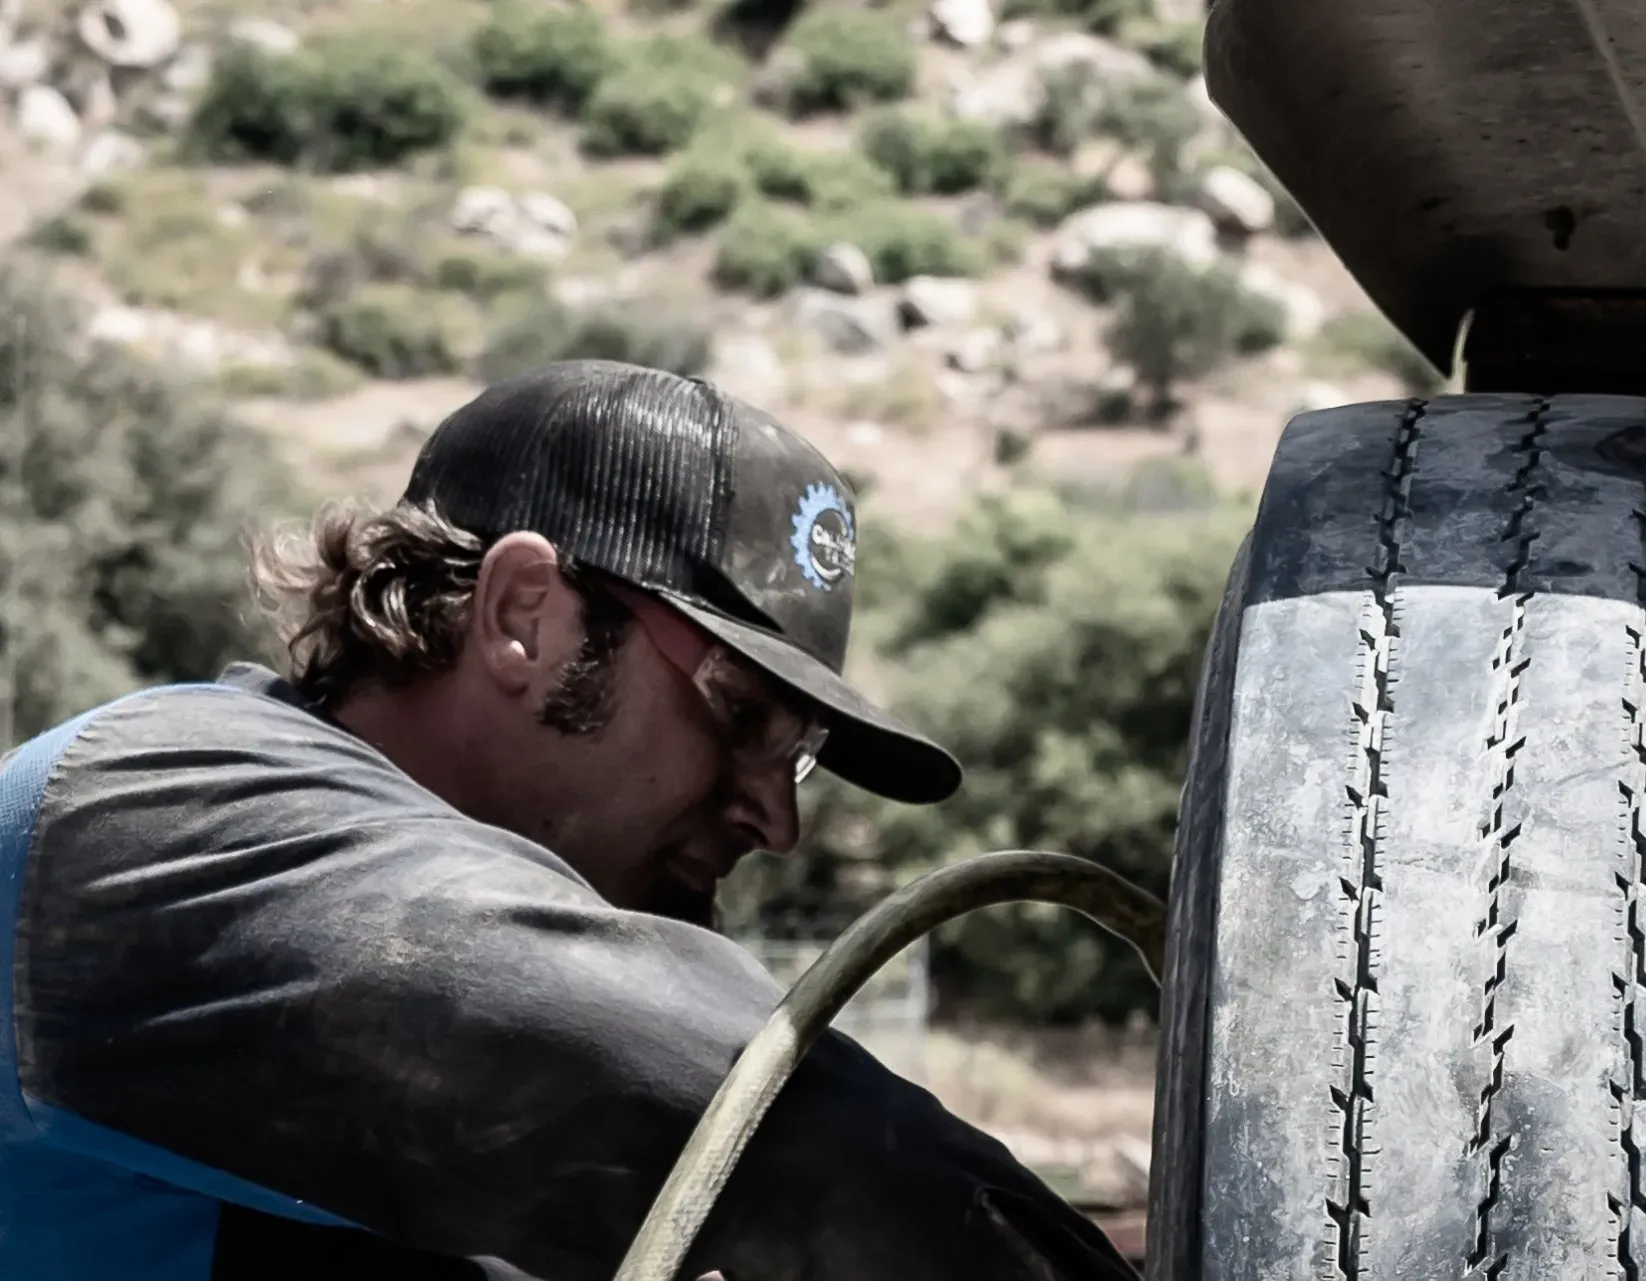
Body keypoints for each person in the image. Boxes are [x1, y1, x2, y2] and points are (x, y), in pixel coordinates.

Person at [0, 361, 1141, 1281]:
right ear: (521, 615)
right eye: (738, 714)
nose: (776, 815)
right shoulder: (160, 814)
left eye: (800, 757)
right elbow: (759, 1122)